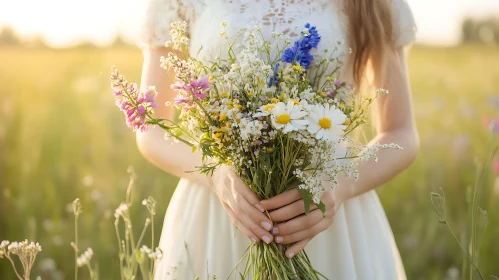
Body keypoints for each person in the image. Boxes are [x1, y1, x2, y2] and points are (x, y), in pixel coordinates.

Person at [136, 0, 419, 279]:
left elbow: (400, 133)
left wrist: (340, 185)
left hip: (325, 213)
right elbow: (149, 127)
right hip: (219, 213)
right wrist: (214, 175)